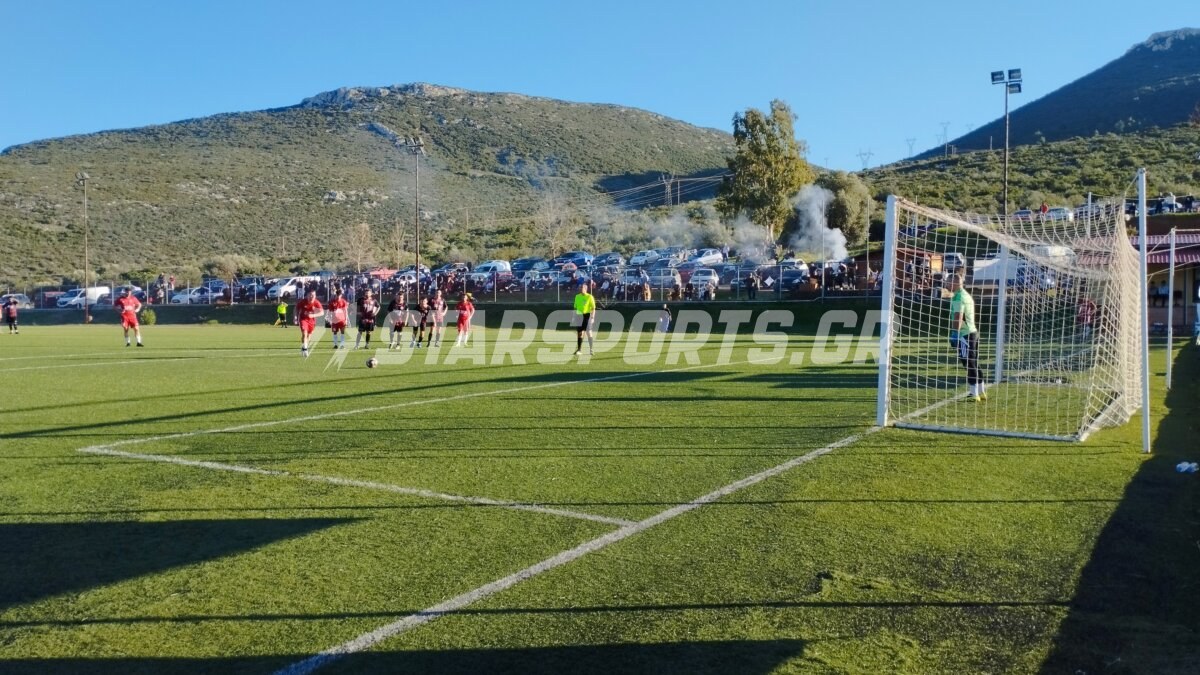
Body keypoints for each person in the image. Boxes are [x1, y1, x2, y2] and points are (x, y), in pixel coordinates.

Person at [947, 273, 984, 401]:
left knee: (969, 363)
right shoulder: (966, 295)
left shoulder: (958, 297)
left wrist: (955, 334)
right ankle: (981, 391)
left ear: (954, 283)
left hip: (965, 335)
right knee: (974, 362)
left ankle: (974, 394)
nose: (946, 285)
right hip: (973, 332)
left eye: (948, 283)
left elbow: (958, 315)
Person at [296, 289, 323, 358]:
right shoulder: (303, 302)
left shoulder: (317, 303)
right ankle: (305, 349)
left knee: (309, 336)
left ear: (315, 296)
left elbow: (322, 313)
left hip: (312, 321)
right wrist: (295, 317)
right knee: (304, 333)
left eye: (313, 295)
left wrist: (313, 315)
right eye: (310, 295)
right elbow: (296, 308)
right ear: (307, 295)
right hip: (303, 319)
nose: (312, 296)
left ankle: (303, 346)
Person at [573, 281, 595, 356]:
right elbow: (575, 308)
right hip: (579, 316)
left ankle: (591, 350)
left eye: (582, 287)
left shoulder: (589, 297)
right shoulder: (577, 296)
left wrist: (592, 317)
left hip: (587, 316)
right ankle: (579, 350)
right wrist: (574, 317)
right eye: (580, 287)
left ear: (586, 288)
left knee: (589, 332)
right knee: (580, 333)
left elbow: (593, 308)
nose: (580, 288)